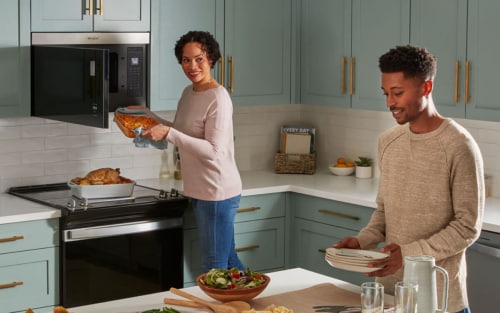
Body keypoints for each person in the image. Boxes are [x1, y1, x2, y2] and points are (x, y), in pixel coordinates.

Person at [333, 45, 484, 313]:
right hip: (390, 296)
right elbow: (384, 212)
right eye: (386, 93)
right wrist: (361, 241)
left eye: (398, 93)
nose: (390, 102)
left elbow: (467, 227)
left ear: (426, 88)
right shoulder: (388, 142)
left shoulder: (458, 145)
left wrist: (408, 254)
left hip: (440, 300)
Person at [140, 30, 245, 273]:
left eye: (199, 58)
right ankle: (254, 308)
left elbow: (214, 151)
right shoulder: (189, 93)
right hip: (201, 190)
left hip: (217, 192)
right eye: (186, 60)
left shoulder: (218, 97)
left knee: (214, 268)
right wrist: (147, 116)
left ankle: (228, 310)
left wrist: (168, 133)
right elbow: (182, 132)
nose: (192, 66)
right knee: (229, 264)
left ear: (211, 59)